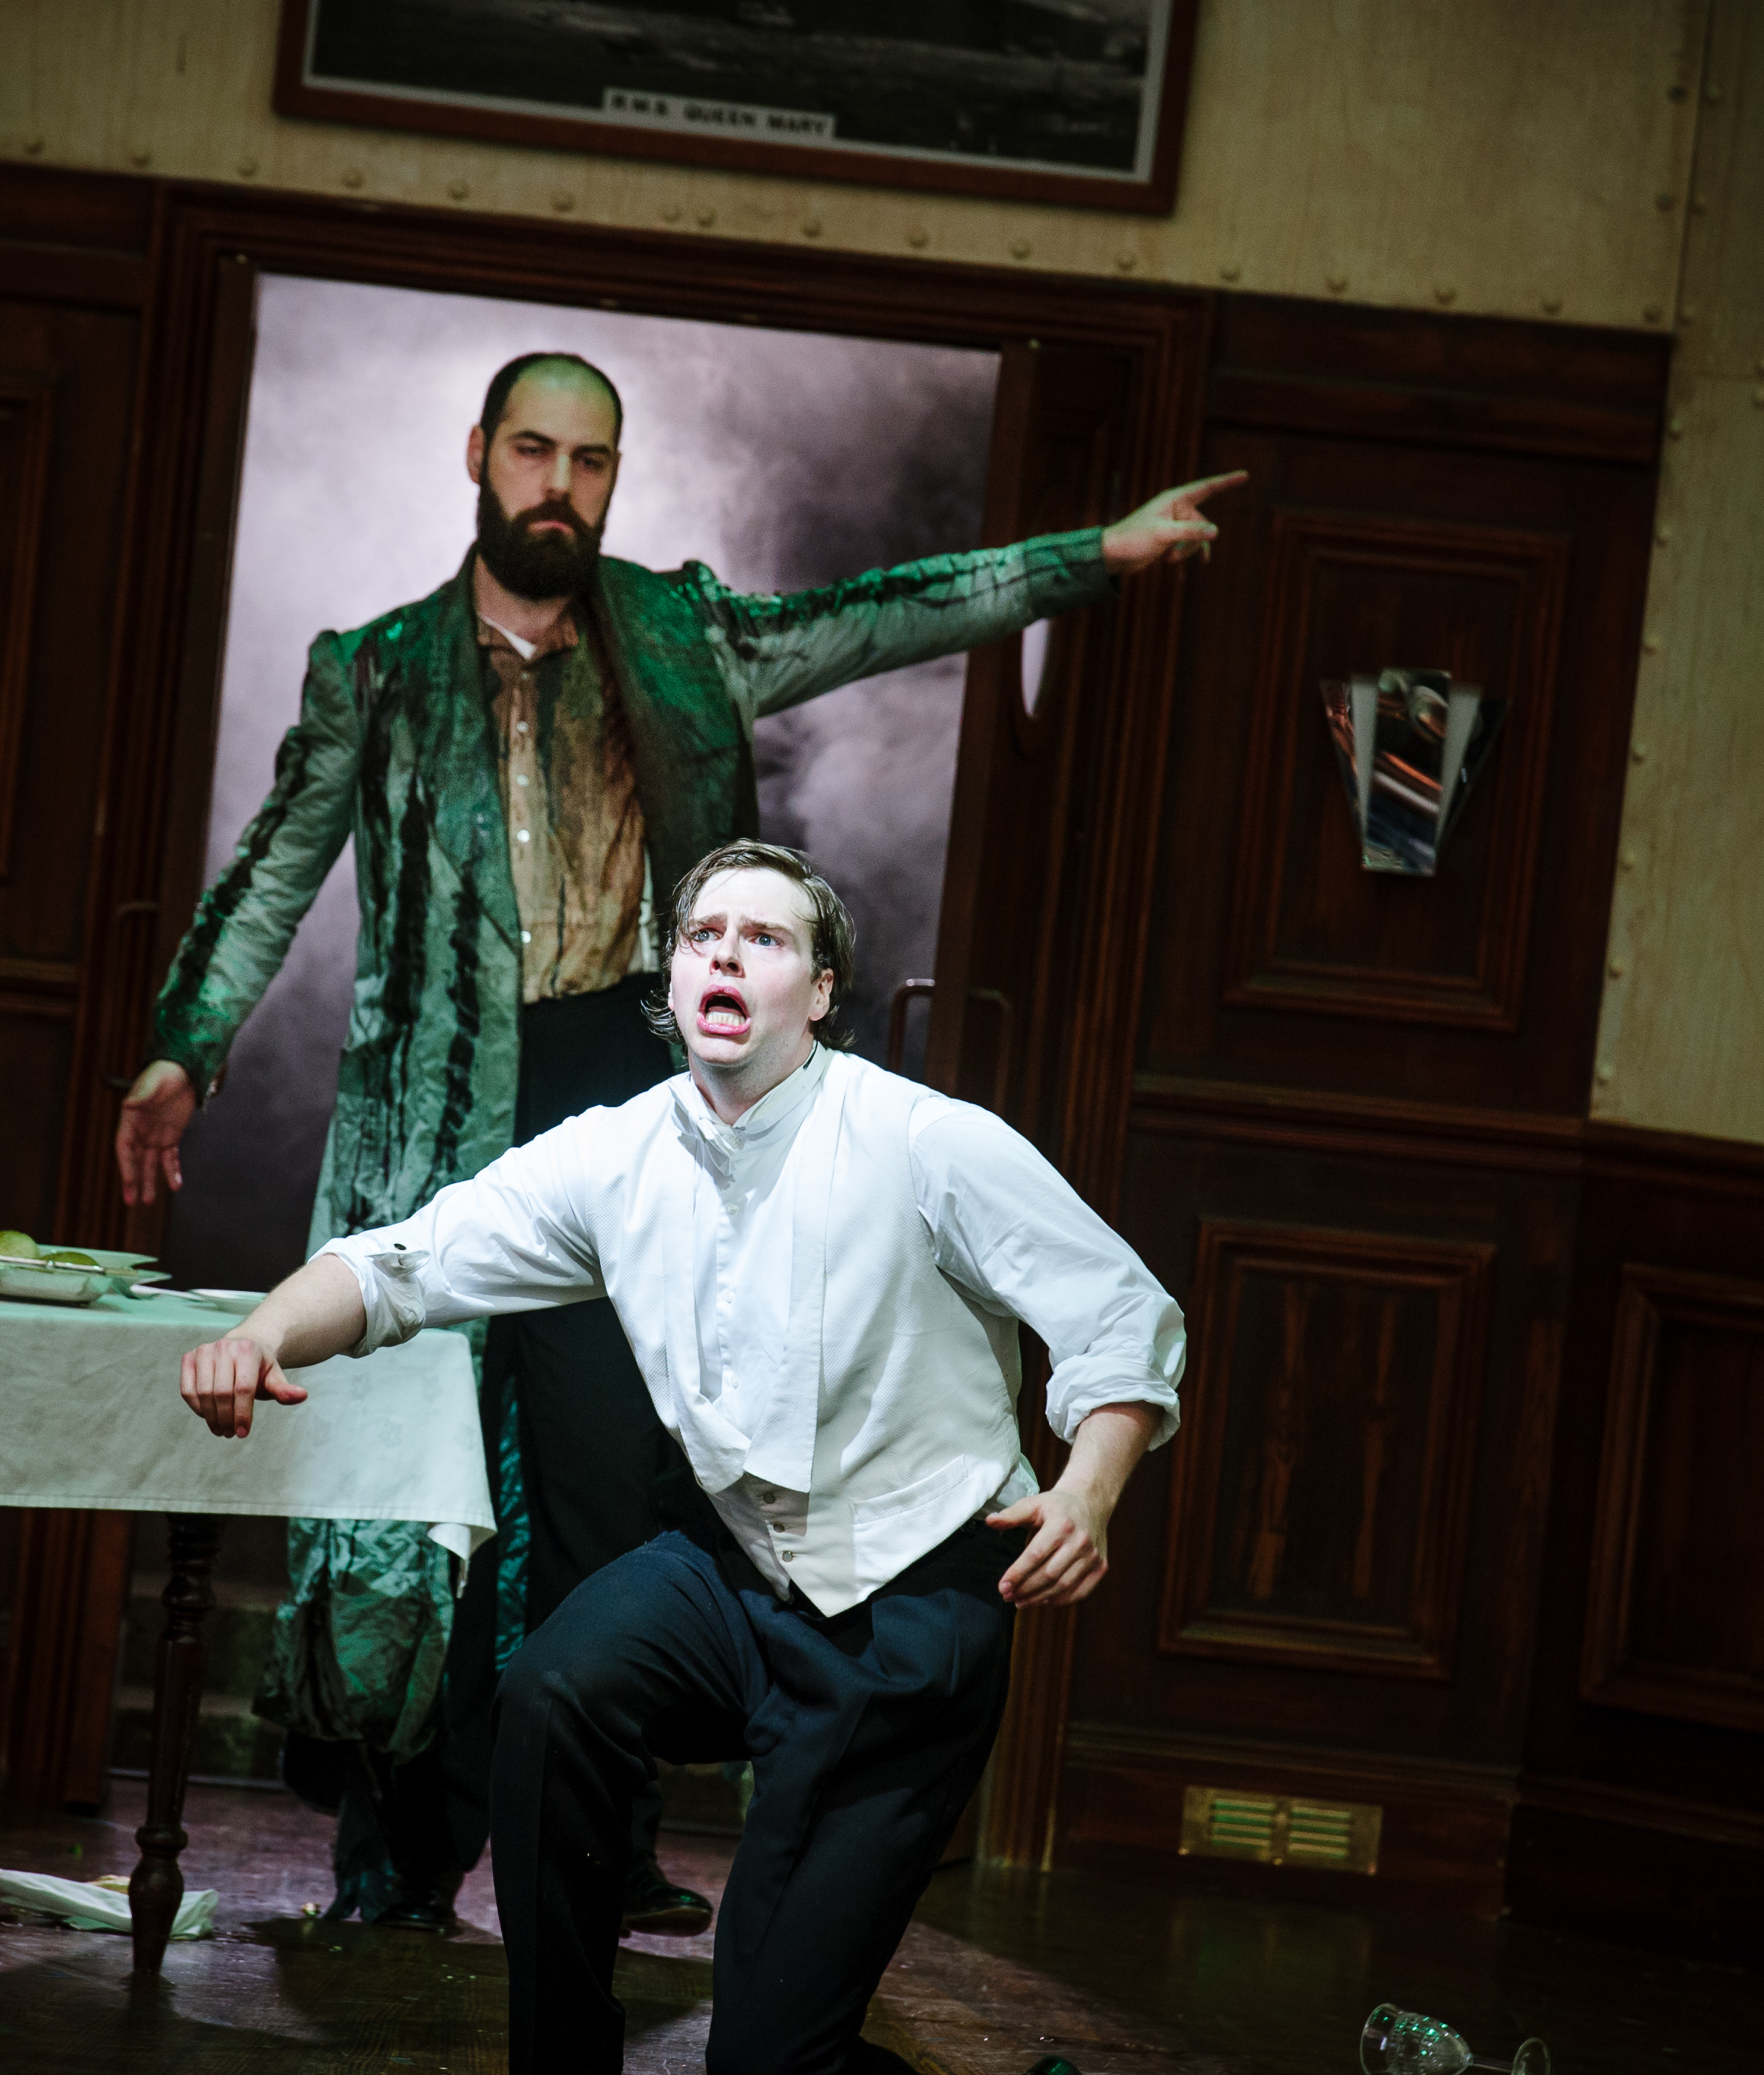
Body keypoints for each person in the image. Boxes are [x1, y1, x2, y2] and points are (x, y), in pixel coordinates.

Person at [121, 344, 1235, 1931]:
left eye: (590, 462)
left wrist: (1091, 558)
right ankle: (397, 1856)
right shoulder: (373, 669)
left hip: (622, 1083)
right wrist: (186, 1043)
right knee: (399, 1498)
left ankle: (599, 1834)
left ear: (613, 481)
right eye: (534, 451)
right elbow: (275, 866)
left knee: (612, 1486)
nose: (559, 486)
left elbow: (882, 613)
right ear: (479, 455)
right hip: (433, 1107)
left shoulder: (681, 636)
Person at [178, 840, 1185, 2075]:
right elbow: (409, 1261)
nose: (727, 957)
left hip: (912, 1601)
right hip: (737, 1572)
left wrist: (1089, 1487)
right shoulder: (619, 1154)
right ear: (671, 978)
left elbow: (1118, 1311)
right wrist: (261, 1333)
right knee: (555, 1691)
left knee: (772, 2064)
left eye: (766, 940)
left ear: (819, 992)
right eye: (705, 935)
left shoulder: (925, 1140)